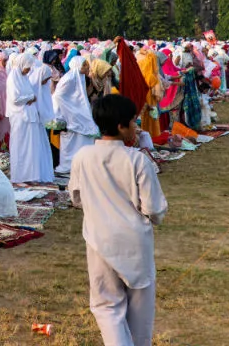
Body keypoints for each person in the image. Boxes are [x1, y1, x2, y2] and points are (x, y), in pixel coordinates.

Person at [68, 94, 168, 346]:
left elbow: (76, 198)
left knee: (107, 308)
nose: (136, 127)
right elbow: (155, 209)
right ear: (121, 126)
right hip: (135, 241)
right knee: (140, 314)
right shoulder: (137, 160)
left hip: (99, 239)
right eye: (133, 122)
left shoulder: (82, 156)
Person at [7, 53, 55, 183]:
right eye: (27, 67)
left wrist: (31, 97)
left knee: (31, 148)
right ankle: (20, 176)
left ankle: (31, 175)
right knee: (21, 147)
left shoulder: (24, 78)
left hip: (30, 117)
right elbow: (15, 99)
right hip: (20, 118)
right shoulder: (13, 77)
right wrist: (31, 97)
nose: (28, 70)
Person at [53, 55, 100, 175]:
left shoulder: (80, 77)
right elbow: (58, 96)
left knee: (84, 138)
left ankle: (82, 164)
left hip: (80, 114)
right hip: (71, 115)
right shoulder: (69, 78)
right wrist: (70, 110)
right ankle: (68, 165)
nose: (87, 67)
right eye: (84, 65)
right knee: (71, 142)